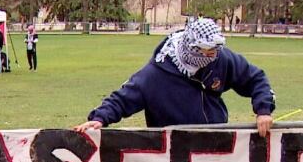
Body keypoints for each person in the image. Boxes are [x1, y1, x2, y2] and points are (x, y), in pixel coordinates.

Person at [74, 18, 275, 135]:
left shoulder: (221, 59)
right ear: (192, 49)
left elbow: (255, 78)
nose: (213, 56)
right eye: (208, 51)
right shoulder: (153, 76)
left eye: (216, 50)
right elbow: (122, 98)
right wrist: (100, 118)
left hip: (217, 144)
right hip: (174, 153)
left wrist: (263, 109)